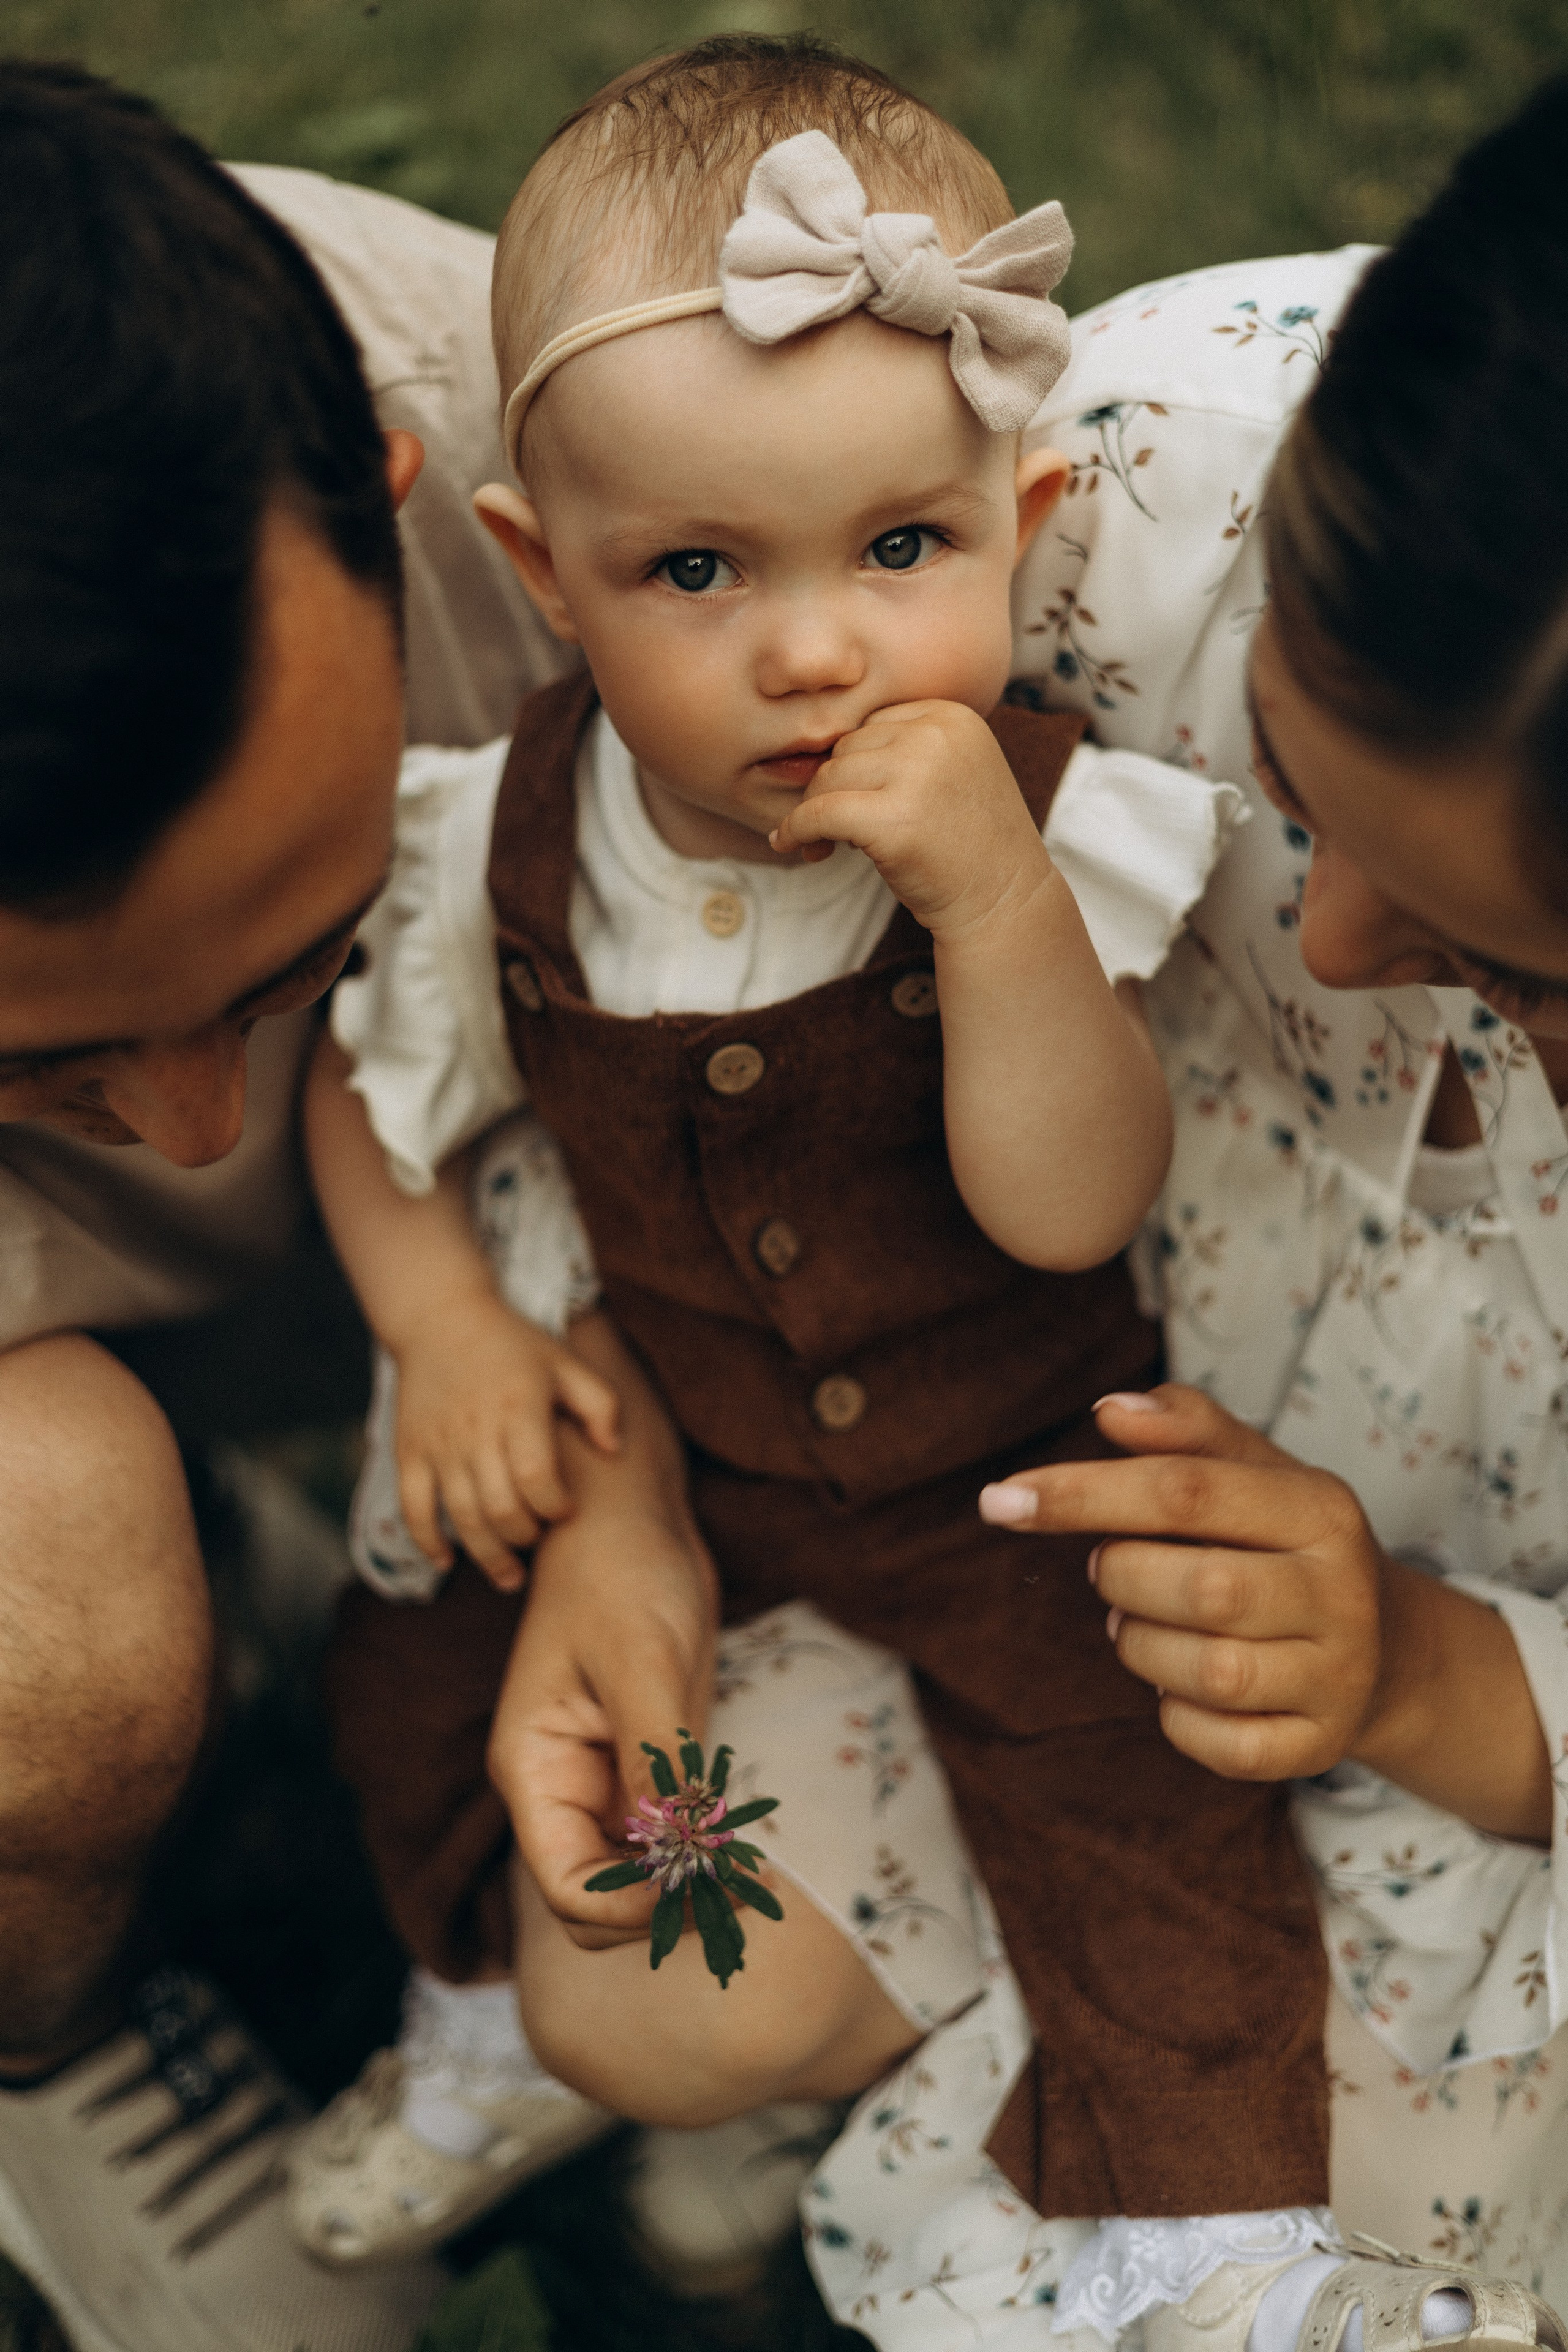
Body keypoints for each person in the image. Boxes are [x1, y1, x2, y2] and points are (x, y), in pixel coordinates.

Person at [288, 36, 1510, 2352]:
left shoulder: (1048, 831)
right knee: (426, 1656)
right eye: (698, 571)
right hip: (668, 1415)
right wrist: (443, 1320)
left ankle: (1204, 2232)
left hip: (1012, 1468)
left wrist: (991, 910)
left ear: (1027, 525)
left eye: (902, 549)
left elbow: (1071, 1206)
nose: (818, 644)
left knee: (1131, 1814)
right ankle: (478, 2004)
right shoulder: (507, 830)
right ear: (546, 576)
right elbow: (379, 1087)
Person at [0, 59, 568, 2352]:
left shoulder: (626, 469)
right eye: (34, 1057)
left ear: (406, 510)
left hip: (550, 1273)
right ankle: (47, 2036)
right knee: (49, 1623)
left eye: (297, 946)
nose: (192, 1126)